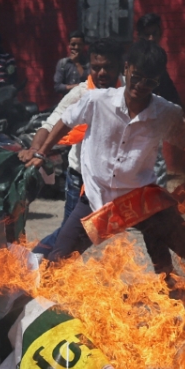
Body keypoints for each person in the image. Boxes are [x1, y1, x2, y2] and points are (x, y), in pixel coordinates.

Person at [21, 40, 185, 299]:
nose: (140, 87)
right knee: (58, 259)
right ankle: (43, 311)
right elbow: (64, 122)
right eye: (136, 77)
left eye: (150, 81)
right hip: (96, 199)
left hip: (140, 201)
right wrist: (40, 152)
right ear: (127, 68)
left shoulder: (166, 113)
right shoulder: (96, 100)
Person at [31, 38, 122, 255]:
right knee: (69, 236)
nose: (101, 73)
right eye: (96, 67)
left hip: (115, 182)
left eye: (107, 67)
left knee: (87, 235)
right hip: (80, 178)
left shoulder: (130, 92)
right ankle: (37, 261)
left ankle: (42, 262)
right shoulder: (82, 93)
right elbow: (51, 124)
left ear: (120, 66)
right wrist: (37, 150)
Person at [135, 13, 184, 185]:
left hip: (150, 119)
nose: (151, 38)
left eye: (154, 34)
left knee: (155, 162)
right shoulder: (134, 57)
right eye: (147, 34)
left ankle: (158, 200)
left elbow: (168, 88)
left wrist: (180, 114)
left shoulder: (158, 58)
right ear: (139, 35)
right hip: (129, 117)